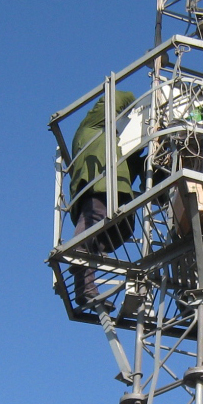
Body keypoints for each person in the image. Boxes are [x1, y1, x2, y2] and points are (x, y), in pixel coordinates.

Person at [69, 90, 144, 308]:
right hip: (98, 183)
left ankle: (86, 288)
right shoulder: (92, 129)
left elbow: (144, 168)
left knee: (103, 238)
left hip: (115, 194)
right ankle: (79, 254)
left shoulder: (120, 149)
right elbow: (114, 98)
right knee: (93, 225)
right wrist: (146, 101)